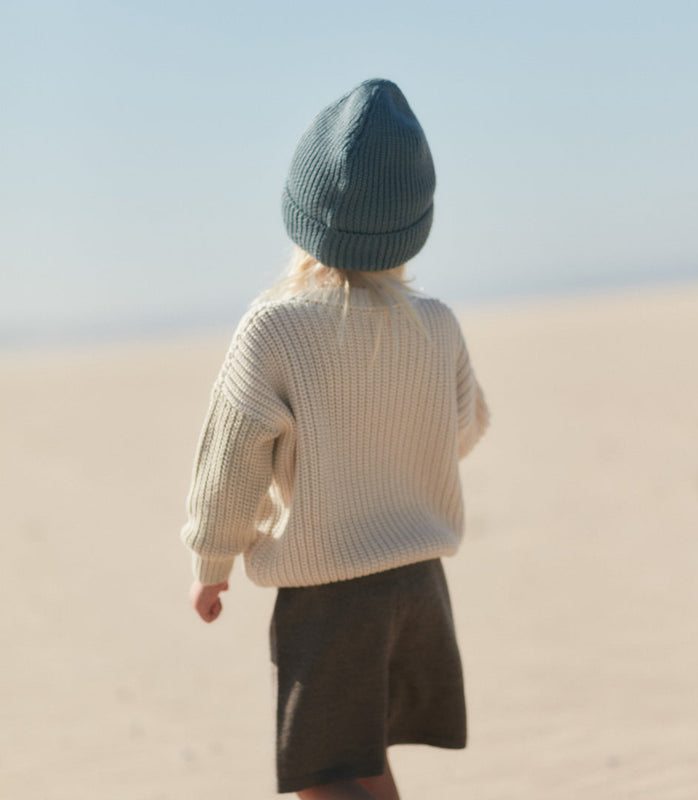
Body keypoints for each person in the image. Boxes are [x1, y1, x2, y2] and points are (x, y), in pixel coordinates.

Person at [181, 78, 489, 799]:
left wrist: (212, 559)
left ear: (301, 210)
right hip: (419, 584)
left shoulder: (276, 326)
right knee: (365, 758)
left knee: (327, 776)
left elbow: (232, 461)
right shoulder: (436, 323)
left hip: (331, 597)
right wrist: (392, 460)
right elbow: (464, 429)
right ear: (415, 222)